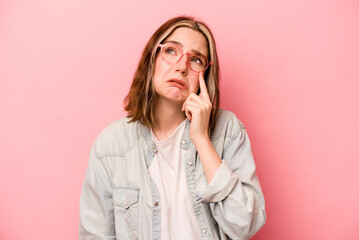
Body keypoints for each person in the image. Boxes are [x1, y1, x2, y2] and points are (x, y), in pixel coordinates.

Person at [79, 15, 266, 240]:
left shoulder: (228, 131)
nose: (181, 67)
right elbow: (96, 234)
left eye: (196, 59)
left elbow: (245, 225)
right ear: (152, 58)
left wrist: (202, 140)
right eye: (171, 51)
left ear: (205, 75)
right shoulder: (111, 145)